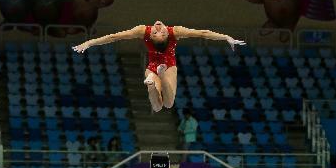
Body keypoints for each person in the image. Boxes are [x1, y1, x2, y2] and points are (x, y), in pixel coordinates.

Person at [72, 21, 245, 113]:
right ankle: (155, 81)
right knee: (163, 106)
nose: (158, 28)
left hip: (157, 67)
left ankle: (153, 82)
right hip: (167, 66)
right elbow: (202, 33)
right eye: (157, 32)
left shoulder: (146, 30)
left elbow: (203, 33)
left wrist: (89, 43)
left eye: (158, 32)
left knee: (163, 105)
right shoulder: (173, 31)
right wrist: (226, 37)